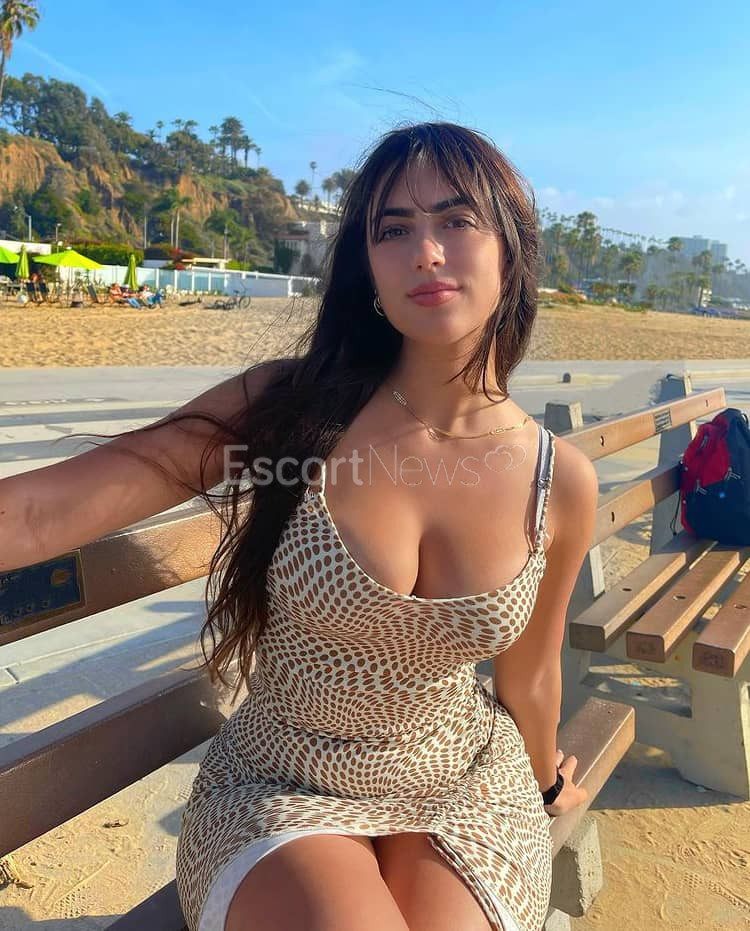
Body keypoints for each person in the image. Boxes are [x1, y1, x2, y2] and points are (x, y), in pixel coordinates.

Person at [0, 122, 598, 931]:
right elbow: (42, 509)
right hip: (282, 780)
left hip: (460, 777)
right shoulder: (290, 408)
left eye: (456, 220)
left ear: (511, 250)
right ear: (368, 269)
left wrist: (546, 779)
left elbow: (531, 674)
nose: (425, 252)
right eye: (394, 230)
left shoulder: (558, 480)